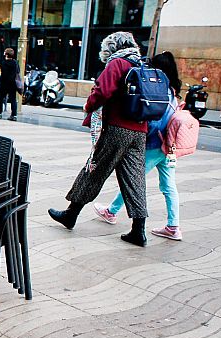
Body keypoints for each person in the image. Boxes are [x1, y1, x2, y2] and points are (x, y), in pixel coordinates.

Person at [48, 31, 149, 246]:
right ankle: (139, 230)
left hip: (116, 128)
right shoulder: (142, 64)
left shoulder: (118, 64)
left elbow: (102, 91)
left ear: (111, 48)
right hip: (140, 130)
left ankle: (71, 214)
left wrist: (88, 105)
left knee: (93, 170)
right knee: (135, 178)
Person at [92, 51, 183, 241]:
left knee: (134, 181)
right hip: (169, 146)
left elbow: (155, 122)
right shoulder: (173, 91)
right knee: (168, 186)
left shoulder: (159, 88)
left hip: (155, 144)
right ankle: (173, 226)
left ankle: (111, 211)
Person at [0, 47, 19, 121]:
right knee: (13, 99)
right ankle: (14, 115)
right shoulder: (15, 63)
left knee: (0, 98)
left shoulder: (3, 63)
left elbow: (3, 74)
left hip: (4, 83)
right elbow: (17, 72)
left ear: (6, 54)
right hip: (13, 83)